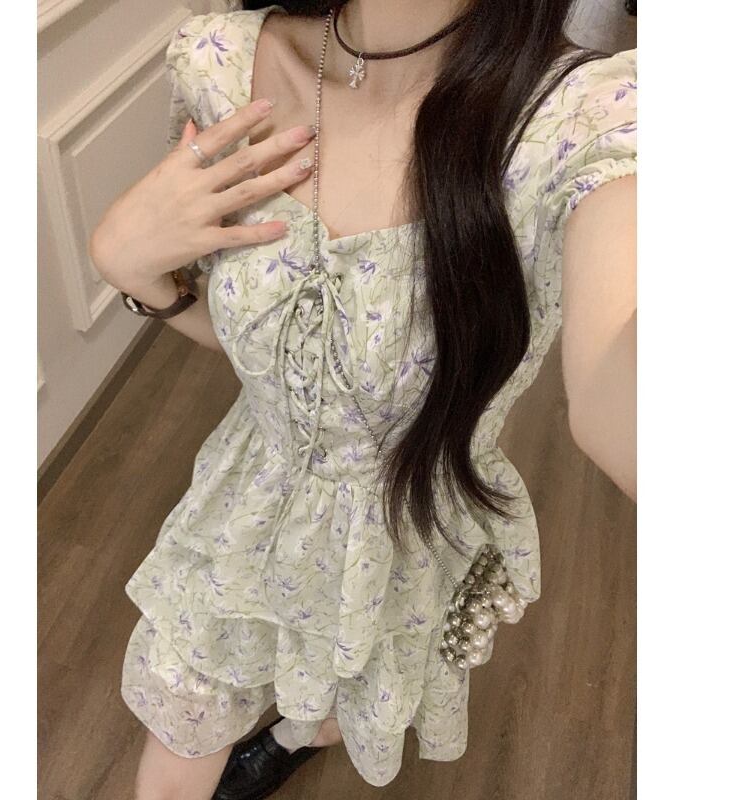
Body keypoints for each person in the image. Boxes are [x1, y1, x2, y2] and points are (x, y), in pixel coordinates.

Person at [88, 1, 637, 798]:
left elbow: (624, 391)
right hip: (245, 513)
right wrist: (133, 271)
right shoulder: (220, 66)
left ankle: (297, 734)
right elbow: (267, 343)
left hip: (412, 529)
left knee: (354, 685)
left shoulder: (582, 119)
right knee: (183, 722)